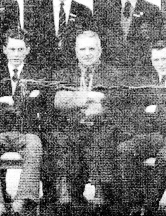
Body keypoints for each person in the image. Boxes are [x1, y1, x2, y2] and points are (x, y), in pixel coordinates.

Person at [46, 30, 126, 215]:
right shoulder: (63, 73)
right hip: (74, 127)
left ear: (100, 50)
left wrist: (98, 105)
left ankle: (101, 194)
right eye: (82, 49)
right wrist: (88, 96)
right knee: (62, 140)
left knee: (102, 139)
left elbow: (117, 100)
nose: (87, 53)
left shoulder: (112, 73)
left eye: (92, 48)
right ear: (75, 51)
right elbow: (58, 99)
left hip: (101, 127)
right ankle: (68, 195)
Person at [109, 42, 166, 215]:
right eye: (156, 60)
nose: (160, 64)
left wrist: (155, 109)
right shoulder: (145, 82)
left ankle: (149, 207)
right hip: (148, 135)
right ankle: (134, 206)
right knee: (124, 150)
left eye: (164, 59)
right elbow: (136, 112)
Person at [0, 29, 48, 216]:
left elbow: (41, 103)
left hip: (26, 131)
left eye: (20, 49)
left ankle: (22, 201)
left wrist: (10, 101)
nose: (16, 54)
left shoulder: (37, 74)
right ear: (4, 50)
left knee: (35, 145)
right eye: (12, 49)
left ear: (27, 50)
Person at [94, 0, 163, 69]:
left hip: (140, 70)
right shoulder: (104, 10)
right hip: (111, 70)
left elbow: (155, 43)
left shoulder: (152, 11)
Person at [26, 0, 94, 70]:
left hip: (74, 69)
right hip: (45, 70)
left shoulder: (84, 12)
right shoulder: (38, 12)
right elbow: (33, 44)